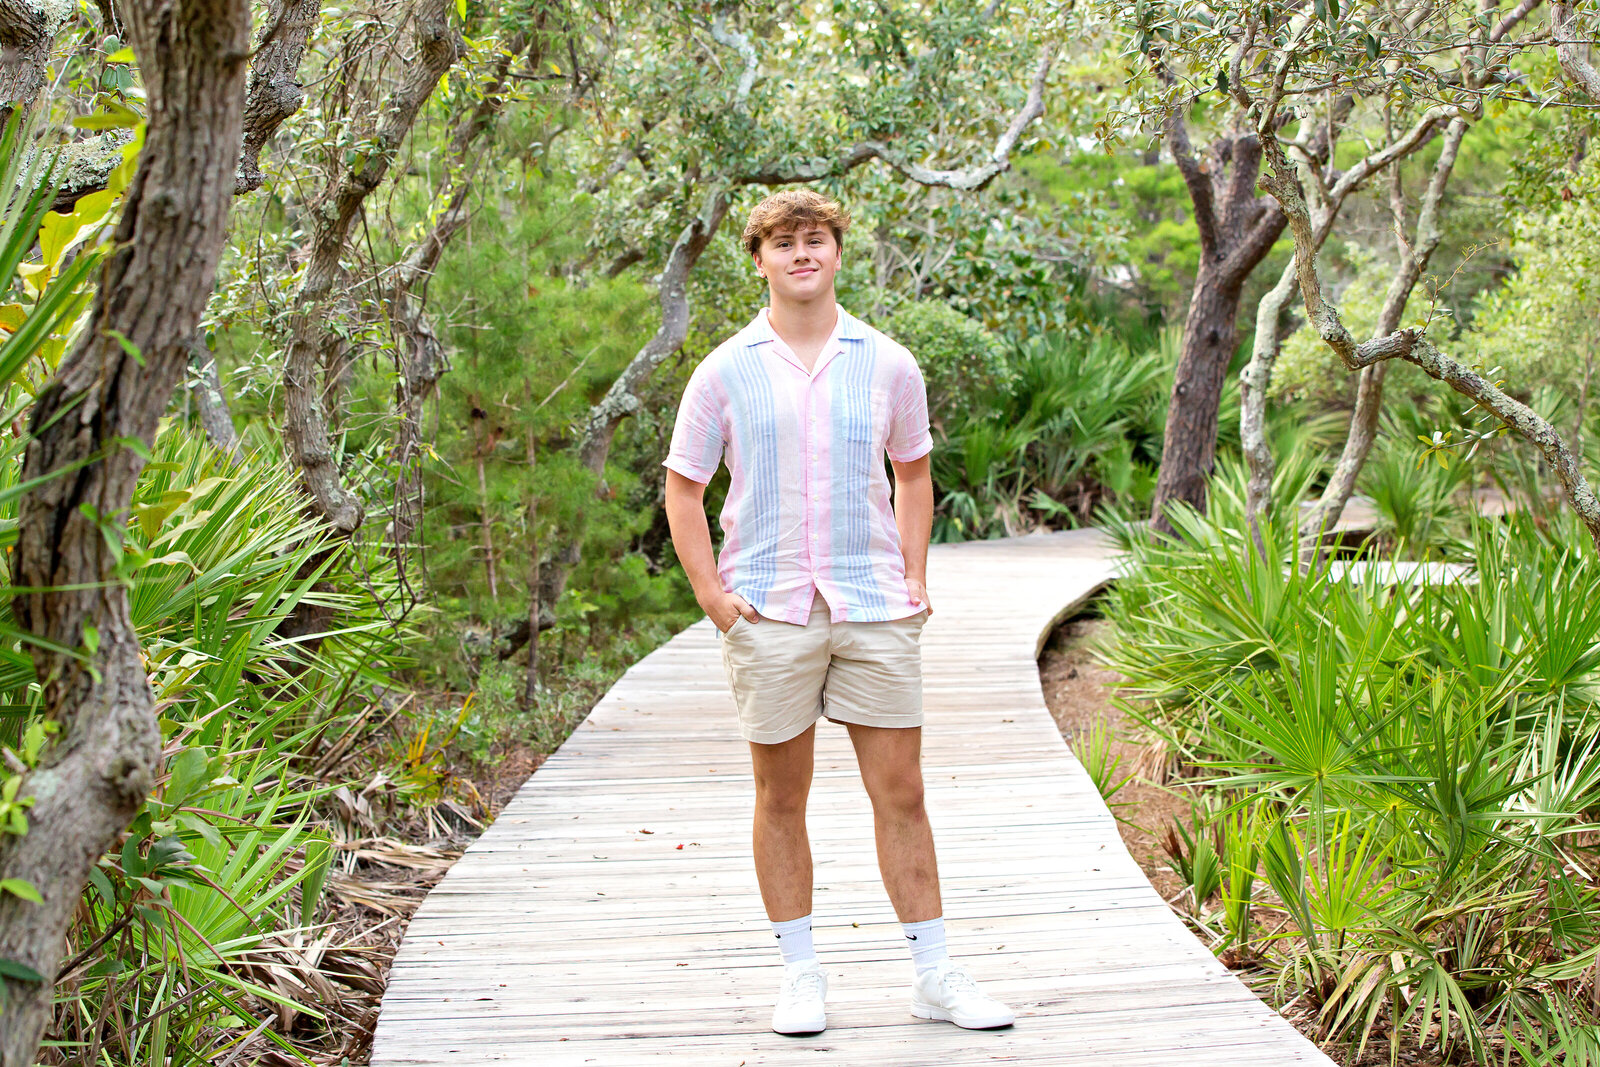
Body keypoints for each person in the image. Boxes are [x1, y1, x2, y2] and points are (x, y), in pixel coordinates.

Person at [662, 189, 1015, 1037]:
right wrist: (713, 597)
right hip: (771, 609)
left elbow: (915, 472)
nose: (801, 255)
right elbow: (683, 486)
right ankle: (800, 974)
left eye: (814, 240)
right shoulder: (725, 370)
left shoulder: (888, 362)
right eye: (783, 244)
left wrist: (917, 571)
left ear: (836, 253)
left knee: (902, 789)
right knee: (780, 796)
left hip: (873, 605)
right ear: (760, 261)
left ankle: (934, 974)